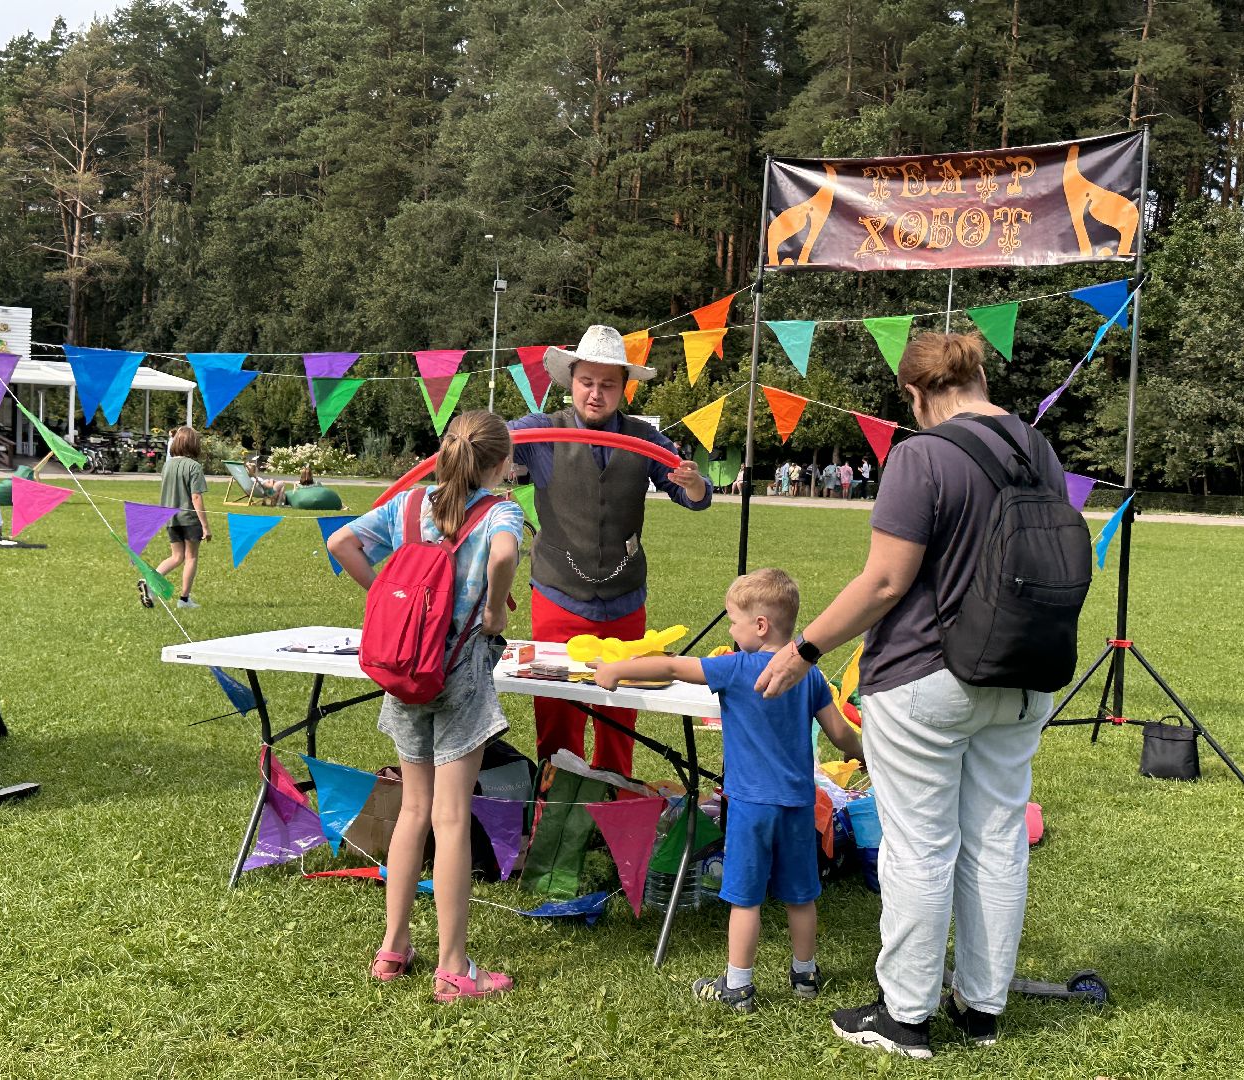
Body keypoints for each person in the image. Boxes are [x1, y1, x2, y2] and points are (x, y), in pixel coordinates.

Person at [755, 332, 1067, 1060]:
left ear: (917, 394)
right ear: (981, 375)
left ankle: (906, 1015)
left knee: (920, 847)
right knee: (996, 839)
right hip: (1024, 677)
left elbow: (886, 582)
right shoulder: (1038, 449)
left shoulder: (922, 455)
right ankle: (981, 1008)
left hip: (930, 677)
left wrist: (805, 650)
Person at [594, 568, 862, 1013]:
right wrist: (866, 752)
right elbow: (840, 735)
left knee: (745, 896)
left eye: (734, 623)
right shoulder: (809, 675)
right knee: (802, 894)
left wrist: (617, 669)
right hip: (799, 805)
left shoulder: (737, 667)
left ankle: (737, 985)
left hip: (751, 807)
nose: (731, 633)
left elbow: (670, 664)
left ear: (760, 626)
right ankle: (805, 975)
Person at [327, 410, 523, 1002]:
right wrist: (492, 611)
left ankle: (393, 946)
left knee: (413, 810)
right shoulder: (500, 512)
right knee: (451, 817)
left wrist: (387, 597)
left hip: (404, 671)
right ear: (499, 463)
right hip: (460, 677)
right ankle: (454, 967)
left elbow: (341, 542)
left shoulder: (410, 506)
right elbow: (505, 555)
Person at [509, 325, 710, 779]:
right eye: (587, 382)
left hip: (624, 599)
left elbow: (694, 495)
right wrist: (488, 452)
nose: (595, 394)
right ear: (571, 382)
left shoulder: (644, 439)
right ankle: (556, 808)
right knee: (558, 712)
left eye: (607, 384)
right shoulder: (541, 431)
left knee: (620, 715)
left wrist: (695, 483)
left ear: (623, 388)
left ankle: (614, 803)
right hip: (558, 595)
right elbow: (488, 445)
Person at [142, 426, 211, 610]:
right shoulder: (194, 467)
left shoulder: (167, 466)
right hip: (189, 519)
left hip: (170, 519)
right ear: (193, 444)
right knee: (190, 557)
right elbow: (196, 497)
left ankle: (149, 582)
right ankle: (184, 600)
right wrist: (205, 526)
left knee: (176, 556)